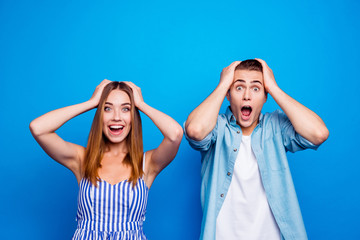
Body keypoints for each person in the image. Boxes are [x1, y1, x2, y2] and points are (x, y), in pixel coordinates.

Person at [184, 59, 329, 240]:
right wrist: (223, 85)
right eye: (238, 88)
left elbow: (319, 134)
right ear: (228, 94)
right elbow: (195, 130)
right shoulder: (217, 127)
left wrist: (273, 87)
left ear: (265, 96)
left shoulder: (275, 127)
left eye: (256, 88)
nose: (247, 96)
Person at [30, 80, 183, 239]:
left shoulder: (147, 163)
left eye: (126, 109)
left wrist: (141, 104)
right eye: (107, 108)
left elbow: (175, 135)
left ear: (133, 116)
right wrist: (91, 103)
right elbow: (38, 128)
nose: (116, 117)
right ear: (99, 115)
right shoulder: (82, 158)